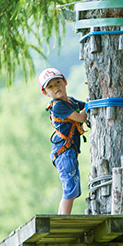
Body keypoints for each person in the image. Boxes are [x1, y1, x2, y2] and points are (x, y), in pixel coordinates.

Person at [38, 68, 87, 215]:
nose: (56, 88)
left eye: (58, 82)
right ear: (46, 93)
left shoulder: (70, 101)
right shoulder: (58, 106)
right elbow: (82, 117)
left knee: (71, 187)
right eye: (50, 87)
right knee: (70, 188)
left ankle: (61, 218)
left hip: (68, 151)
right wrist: (91, 104)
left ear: (65, 82)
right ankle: (63, 220)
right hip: (64, 152)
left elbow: (84, 106)